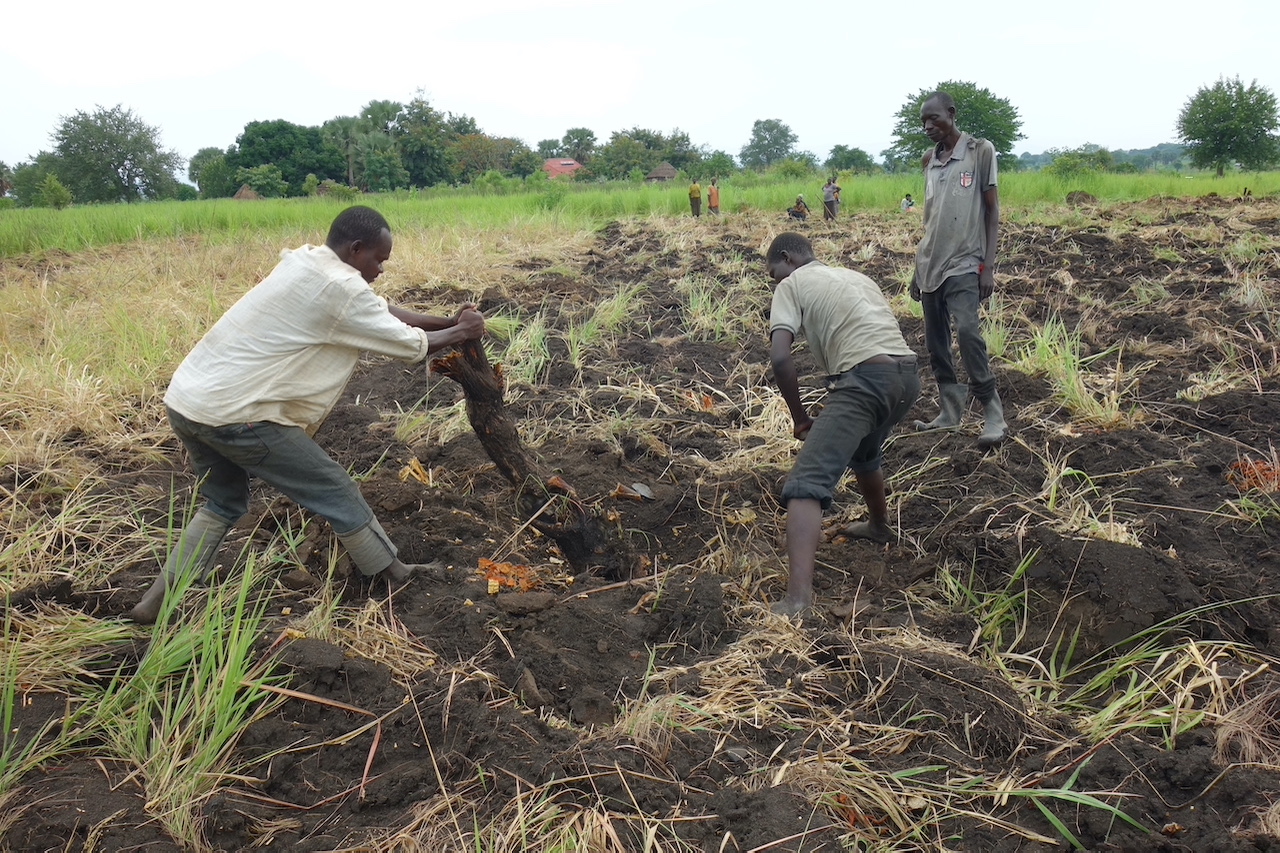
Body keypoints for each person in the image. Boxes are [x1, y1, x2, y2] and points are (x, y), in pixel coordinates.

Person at [129, 206, 486, 623]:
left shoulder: (306, 263)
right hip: (238, 416)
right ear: (356, 249)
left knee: (223, 501)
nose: (381, 270)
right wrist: (462, 332)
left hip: (189, 403)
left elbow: (381, 312)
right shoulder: (341, 288)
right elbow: (411, 345)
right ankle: (395, 574)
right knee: (334, 487)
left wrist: (447, 321)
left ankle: (152, 604)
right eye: (379, 260)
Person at [766, 233, 920, 616]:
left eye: (773, 273)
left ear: (787, 259)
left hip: (865, 380)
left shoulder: (791, 284)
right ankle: (879, 526)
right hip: (906, 378)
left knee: (805, 485)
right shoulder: (855, 276)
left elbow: (781, 359)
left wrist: (800, 418)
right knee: (865, 453)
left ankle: (797, 601)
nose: (775, 281)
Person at [910, 91, 1006, 448]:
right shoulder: (930, 160)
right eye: (923, 121)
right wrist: (916, 269)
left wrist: (987, 266)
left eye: (933, 118)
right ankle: (950, 412)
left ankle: (993, 412)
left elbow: (992, 212)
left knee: (967, 332)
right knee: (936, 343)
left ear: (951, 114)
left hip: (965, 261)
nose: (927, 126)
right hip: (930, 264)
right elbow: (930, 220)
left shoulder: (980, 151)